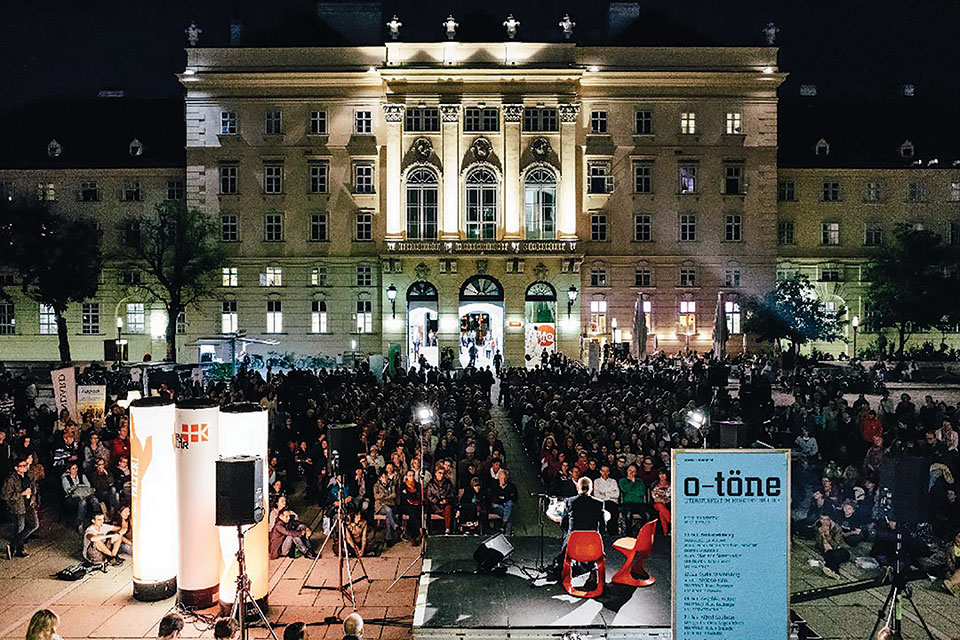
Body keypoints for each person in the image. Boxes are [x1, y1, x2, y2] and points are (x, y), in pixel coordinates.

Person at [2, 457, 39, 557]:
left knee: (34, 525)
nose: (25, 468)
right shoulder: (11, 479)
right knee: (20, 528)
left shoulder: (28, 476)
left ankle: (12, 545)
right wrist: (21, 493)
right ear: (16, 468)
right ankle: (19, 550)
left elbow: (33, 486)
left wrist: (33, 497)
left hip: (29, 504)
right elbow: (5, 495)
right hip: (18, 506)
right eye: (22, 466)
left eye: (25, 465)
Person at [61, 461, 102, 529]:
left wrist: (78, 487)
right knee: (82, 502)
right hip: (73, 497)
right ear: (68, 470)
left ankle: (98, 518)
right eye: (73, 469)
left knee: (95, 500)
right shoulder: (66, 479)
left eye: (76, 468)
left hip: (85, 494)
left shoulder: (82, 476)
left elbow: (88, 486)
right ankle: (80, 523)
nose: (75, 470)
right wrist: (80, 487)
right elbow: (68, 490)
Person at [815, 514, 850, 579]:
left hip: (841, 550)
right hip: (828, 552)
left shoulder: (836, 528)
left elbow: (836, 545)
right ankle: (834, 572)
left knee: (834, 554)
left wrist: (828, 536)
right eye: (822, 519)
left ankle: (829, 567)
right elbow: (819, 545)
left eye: (825, 519)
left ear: (829, 520)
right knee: (830, 555)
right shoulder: (819, 527)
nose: (823, 521)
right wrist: (822, 535)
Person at [618, 463, 649, 534]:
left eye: (633, 471)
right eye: (630, 470)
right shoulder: (622, 481)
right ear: (627, 471)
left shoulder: (640, 481)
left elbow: (642, 493)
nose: (631, 473)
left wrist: (630, 492)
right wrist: (632, 482)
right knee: (628, 514)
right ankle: (629, 533)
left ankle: (643, 533)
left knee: (647, 515)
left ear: (636, 472)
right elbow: (625, 489)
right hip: (628, 503)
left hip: (639, 503)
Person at [425, 466, 455, 534]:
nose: (441, 475)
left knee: (448, 509)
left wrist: (446, 500)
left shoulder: (448, 483)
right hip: (435, 506)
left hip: (446, 505)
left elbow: (452, 494)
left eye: (443, 473)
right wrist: (438, 501)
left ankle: (448, 529)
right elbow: (429, 496)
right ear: (435, 473)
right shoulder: (431, 483)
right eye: (439, 473)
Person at [592, 464, 620, 536]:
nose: (605, 473)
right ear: (600, 472)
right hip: (601, 502)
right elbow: (596, 495)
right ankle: (602, 532)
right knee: (601, 511)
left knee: (613, 511)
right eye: (603, 471)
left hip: (612, 502)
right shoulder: (596, 481)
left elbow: (617, 494)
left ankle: (613, 533)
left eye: (607, 471)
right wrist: (610, 494)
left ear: (609, 472)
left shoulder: (613, 481)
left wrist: (604, 494)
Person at [373, 470, 399, 545]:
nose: (385, 478)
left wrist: (384, 497)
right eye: (383, 477)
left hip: (390, 504)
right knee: (388, 510)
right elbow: (376, 497)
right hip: (381, 506)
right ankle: (394, 525)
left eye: (386, 476)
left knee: (388, 516)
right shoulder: (376, 486)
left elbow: (394, 495)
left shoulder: (391, 484)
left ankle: (389, 538)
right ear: (380, 478)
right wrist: (386, 496)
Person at [489, 468, 518, 536]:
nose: (503, 480)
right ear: (499, 477)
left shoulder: (511, 486)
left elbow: (515, 498)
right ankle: (506, 530)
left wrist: (504, 498)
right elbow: (493, 498)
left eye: (504, 478)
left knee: (510, 504)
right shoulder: (494, 486)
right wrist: (506, 498)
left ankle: (504, 525)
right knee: (509, 512)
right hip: (497, 506)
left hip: (506, 505)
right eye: (501, 478)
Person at [650, 469, 672, 535]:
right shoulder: (655, 484)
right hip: (657, 504)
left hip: (667, 504)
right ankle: (671, 521)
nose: (662, 476)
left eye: (663, 474)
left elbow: (670, 496)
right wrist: (662, 497)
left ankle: (665, 532)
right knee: (659, 505)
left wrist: (662, 497)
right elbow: (654, 496)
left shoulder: (670, 484)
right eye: (660, 474)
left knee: (661, 513)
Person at [944, 531, 960, 597]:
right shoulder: (950, 548)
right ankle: (951, 583)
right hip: (952, 572)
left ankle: (953, 586)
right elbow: (948, 563)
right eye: (959, 537)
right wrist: (955, 570)